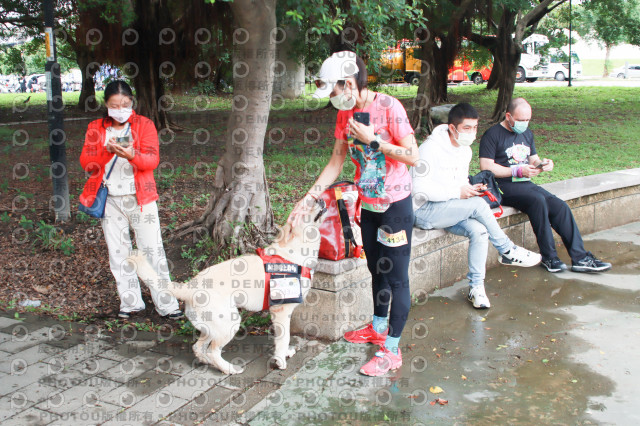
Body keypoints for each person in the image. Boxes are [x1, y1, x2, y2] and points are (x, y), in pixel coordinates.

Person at [287, 51, 419, 376]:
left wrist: (376, 142)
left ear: (348, 83)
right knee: (376, 268)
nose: (333, 99)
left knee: (397, 279)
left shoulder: (390, 107)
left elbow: (413, 156)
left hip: (395, 208)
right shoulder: (345, 115)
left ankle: (391, 349)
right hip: (369, 208)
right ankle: (377, 327)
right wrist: (309, 197)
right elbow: (335, 163)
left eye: (333, 91)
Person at [411, 103, 541, 309]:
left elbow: (458, 183)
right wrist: (458, 193)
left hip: (450, 207)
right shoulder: (429, 149)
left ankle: (476, 289)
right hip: (424, 211)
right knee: (479, 205)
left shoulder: (465, 151)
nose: (472, 133)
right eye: (466, 128)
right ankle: (507, 250)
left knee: (479, 231)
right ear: (452, 128)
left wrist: (470, 189)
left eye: (475, 128)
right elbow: (418, 190)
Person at [79, 80, 184, 320]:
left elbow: (152, 161)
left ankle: (167, 305)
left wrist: (132, 155)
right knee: (119, 253)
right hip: (110, 199)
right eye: (114, 105)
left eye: (125, 104)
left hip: (141, 197)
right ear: (106, 105)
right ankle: (131, 303)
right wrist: (108, 150)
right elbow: (87, 163)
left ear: (131, 102)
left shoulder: (144, 124)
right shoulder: (96, 127)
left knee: (152, 251)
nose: (120, 109)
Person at [479, 97, 611, 273]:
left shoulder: (526, 133)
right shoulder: (492, 134)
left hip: (526, 184)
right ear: (509, 116)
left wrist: (543, 164)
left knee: (560, 207)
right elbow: (486, 167)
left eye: (527, 120)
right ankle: (550, 258)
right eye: (520, 120)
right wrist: (516, 171)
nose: (524, 124)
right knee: (537, 200)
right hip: (503, 186)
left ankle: (581, 258)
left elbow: (532, 158)